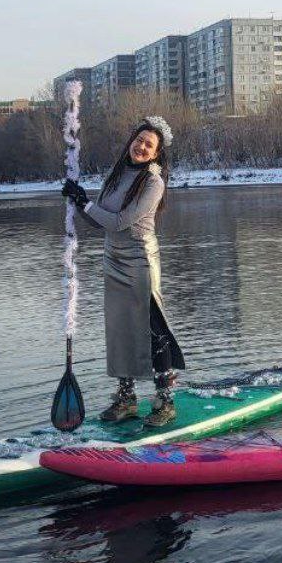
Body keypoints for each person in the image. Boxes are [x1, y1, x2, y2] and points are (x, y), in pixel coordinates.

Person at [62, 116, 185, 427]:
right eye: (139, 140)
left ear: (156, 153)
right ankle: (127, 399)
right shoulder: (116, 175)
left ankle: (165, 402)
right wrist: (76, 201)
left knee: (153, 330)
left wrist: (85, 204)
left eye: (149, 145)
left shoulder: (154, 183)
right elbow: (100, 220)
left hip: (140, 260)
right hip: (112, 259)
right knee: (119, 331)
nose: (141, 147)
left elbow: (119, 222)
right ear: (131, 140)